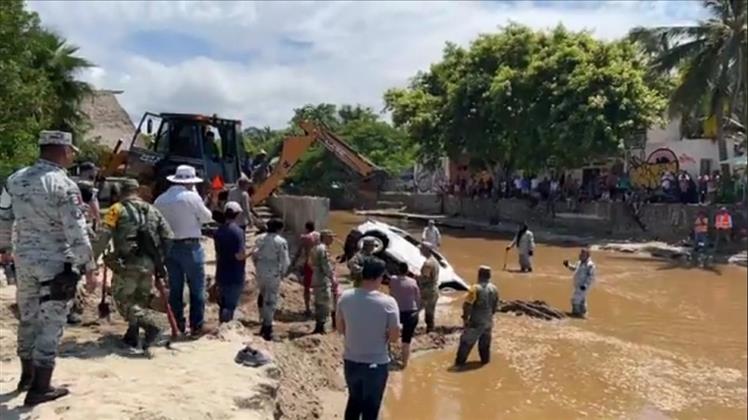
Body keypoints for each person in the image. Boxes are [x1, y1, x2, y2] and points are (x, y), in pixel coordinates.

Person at [1, 130, 93, 406]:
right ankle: (41, 387)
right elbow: (76, 230)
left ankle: (26, 377)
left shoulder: (15, 180)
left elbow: (3, 216)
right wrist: (89, 266)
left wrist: (4, 250)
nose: (72, 156)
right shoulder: (63, 185)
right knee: (51, 324)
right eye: (71, 152)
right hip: (57, 265)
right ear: (63, 151)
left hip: (24, 261)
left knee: (28, 318)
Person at [93, 178, 173, 354]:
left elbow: (104, 234)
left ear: (122, 191)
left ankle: (153, 326)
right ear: (138, 191)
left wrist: (93, 259)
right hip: (149, 263)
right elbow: (169, 236)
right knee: (140, 300)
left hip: (126, 264)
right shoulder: (152, 210)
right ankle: (133, 334)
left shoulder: (116, 209)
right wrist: (160, 258)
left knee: (123, 301)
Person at [336, 257, 400, 420]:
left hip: (351, 362)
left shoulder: (345, 297)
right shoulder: (389, 303)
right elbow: (394, 338)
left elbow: (340, 329)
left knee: (354, 402)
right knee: (371, 409)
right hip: (376, 364)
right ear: (380, 277)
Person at [154, 164, 213, 336]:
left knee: (175, 288)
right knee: (197, 288)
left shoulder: (161, 199)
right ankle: (197, 325)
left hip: (169, 248)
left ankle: (178, 324)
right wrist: (197, 196)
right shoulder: (191, 197)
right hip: (190, 247)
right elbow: (207, 217)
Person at [252, 218, 290, 341]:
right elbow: (284, 260)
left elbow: (254, 254)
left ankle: (262, 320)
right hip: (273, 271)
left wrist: (257, 266)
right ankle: (267, 328)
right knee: (271, 299)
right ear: (279, 229)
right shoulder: (281, 242)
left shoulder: (260, 238)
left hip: (260, 270)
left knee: (262, 295)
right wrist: (283, 272)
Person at [214, 201, 251, 323]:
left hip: (221, 272)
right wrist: (252, 252)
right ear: (238, 214)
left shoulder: (218, 231)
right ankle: (227, 331)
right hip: (235, 273)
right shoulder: (238, 232)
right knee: (230, 306)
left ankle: (222, 329)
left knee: (223, 305)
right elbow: (239, 256)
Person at [455, 266, 499, 367]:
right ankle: (485, 365)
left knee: (465, 343)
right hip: (488, 322)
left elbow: (467, 305)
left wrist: (465, 318)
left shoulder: (474, 288)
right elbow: (495, 306)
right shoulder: (494, 288)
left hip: (476, 322)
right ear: (489, 276)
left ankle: (459, 365)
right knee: (485, 347)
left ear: (479, 275)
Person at [388, 262, 420, 368]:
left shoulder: (393, 279)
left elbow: (391, 292)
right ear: (407, 271)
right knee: (406, 341)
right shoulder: (413, 281)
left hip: (396, 311)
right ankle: (405, 365)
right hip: (411, 313)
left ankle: (388, 357)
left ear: (398, 270)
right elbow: (417, 298)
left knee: (387, 335)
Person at [291, 221, 320, 317]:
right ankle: (319, 308)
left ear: (306, 228)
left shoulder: (306, 238)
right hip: (319, 264)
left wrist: (293, 262)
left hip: (310, 263)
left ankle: (308, 309)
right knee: (319, 286)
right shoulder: (319, 236)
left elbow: (299, 251)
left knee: (307, 288)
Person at [311, 229, 335, 334]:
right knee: (325, 304)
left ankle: (319, 325)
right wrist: (332, 277)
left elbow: (309, 263)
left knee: (318, 302)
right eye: (331, 237)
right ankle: (322, 327)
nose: (332, 239)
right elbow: (326, 266)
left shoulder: (315, 248)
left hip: (315, 277)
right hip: (323, 279)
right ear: (325, 237)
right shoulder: (323, 249)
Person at [563, 248, 596, 318]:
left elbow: (591, 277)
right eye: (580, 254)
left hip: (583, 286)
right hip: (578, 285)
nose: (580, 255)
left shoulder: (590, 265)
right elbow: (575, 268)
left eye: (583, 254)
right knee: (582, 300)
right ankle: (584, 314)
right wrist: (568, 265)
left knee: (575, 300)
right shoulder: (579, 262)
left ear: (587, 255)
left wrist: (585, 285)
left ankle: (576, 315)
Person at [418, 242, 440, 333]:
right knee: (430, 311)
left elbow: (425, 278)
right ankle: (430, 330)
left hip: (426, 290)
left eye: (421, 248)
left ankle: (409, 329)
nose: (420, 250)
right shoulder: (434, 261)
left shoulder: (428, 263)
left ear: (426, 250)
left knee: (415, 309)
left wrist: (415, 277)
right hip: (434, 289)